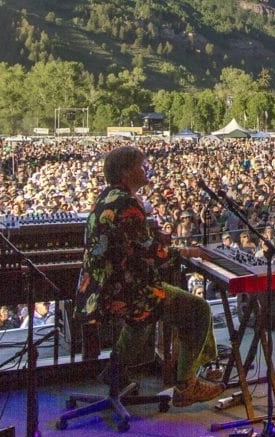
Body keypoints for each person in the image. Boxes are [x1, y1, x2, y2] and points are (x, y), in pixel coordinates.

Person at [77, 146, 222, 406]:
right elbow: (153, 254)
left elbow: (131, 241)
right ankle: (187, 384)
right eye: (141, 165)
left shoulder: (108, 196)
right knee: (197, 309)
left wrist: (154, 234)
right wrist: (187, 251)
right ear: (126, 171)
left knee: (144, 321)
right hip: (128, 291)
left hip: (100, 289)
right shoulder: (128, 203)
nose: (146, 169)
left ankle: (115, 370)